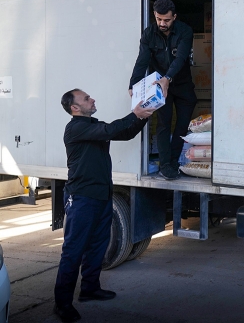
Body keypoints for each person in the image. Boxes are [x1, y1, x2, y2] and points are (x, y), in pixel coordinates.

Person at [54, 89, 155, 322]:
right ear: (75, 108)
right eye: (86, 98)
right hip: (82, 198)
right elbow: (111, 130)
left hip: (101, 195)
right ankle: (62, 303)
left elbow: (125, 133)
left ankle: (89, 289)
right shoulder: (75, 128)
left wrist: (143, 116)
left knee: (98, 246)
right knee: (73, 251)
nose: (92, 99)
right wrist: (134, 113)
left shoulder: (93, 125)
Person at [129, 0, 198, 180]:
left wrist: (168, 78)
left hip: (182, 84)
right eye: (159, 19)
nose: (162, 23)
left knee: (182, 124)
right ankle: (165, 165)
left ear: (174, 17)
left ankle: (174, 162)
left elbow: (181, 58)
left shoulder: (185, 31)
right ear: (154, 15)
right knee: (163, 124)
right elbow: (142, 60)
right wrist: (133, 84)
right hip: (159, 86)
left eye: (166, 20)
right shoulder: (148, 34)